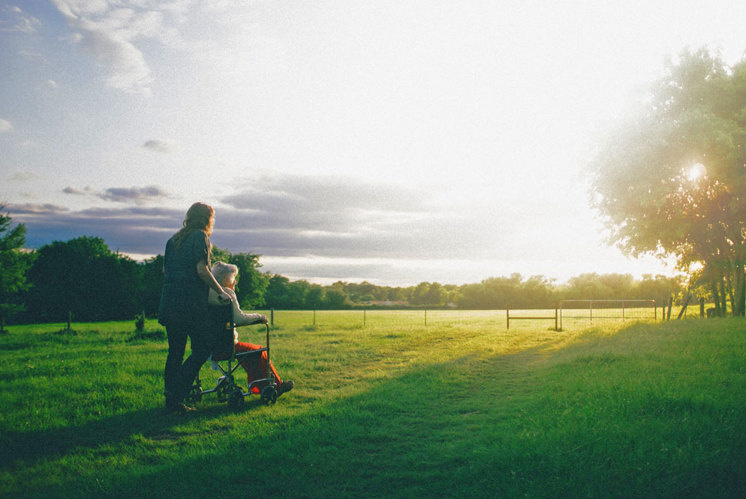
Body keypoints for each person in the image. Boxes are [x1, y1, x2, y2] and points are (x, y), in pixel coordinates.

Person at [158, 202, 231, 414]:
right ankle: (176, 392)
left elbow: (166, 271)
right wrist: (220, 291)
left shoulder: (173, 240)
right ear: (207, 219)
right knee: (203, 348)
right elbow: (202, 270)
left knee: (175, 352)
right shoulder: (200, 237)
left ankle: (172, 402)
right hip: (189, 305)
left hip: (169, 302)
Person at [208, 261, 294, 396]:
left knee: (249, 353)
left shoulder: (206, 293)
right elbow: (240, 319)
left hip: (208, 346)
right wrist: (259, 317)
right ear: (225, 279)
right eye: (233, 278)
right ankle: (277, 384)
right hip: (226, 346)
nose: (235, 282)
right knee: (259, 351)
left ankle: (259, 387)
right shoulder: (227, 293)